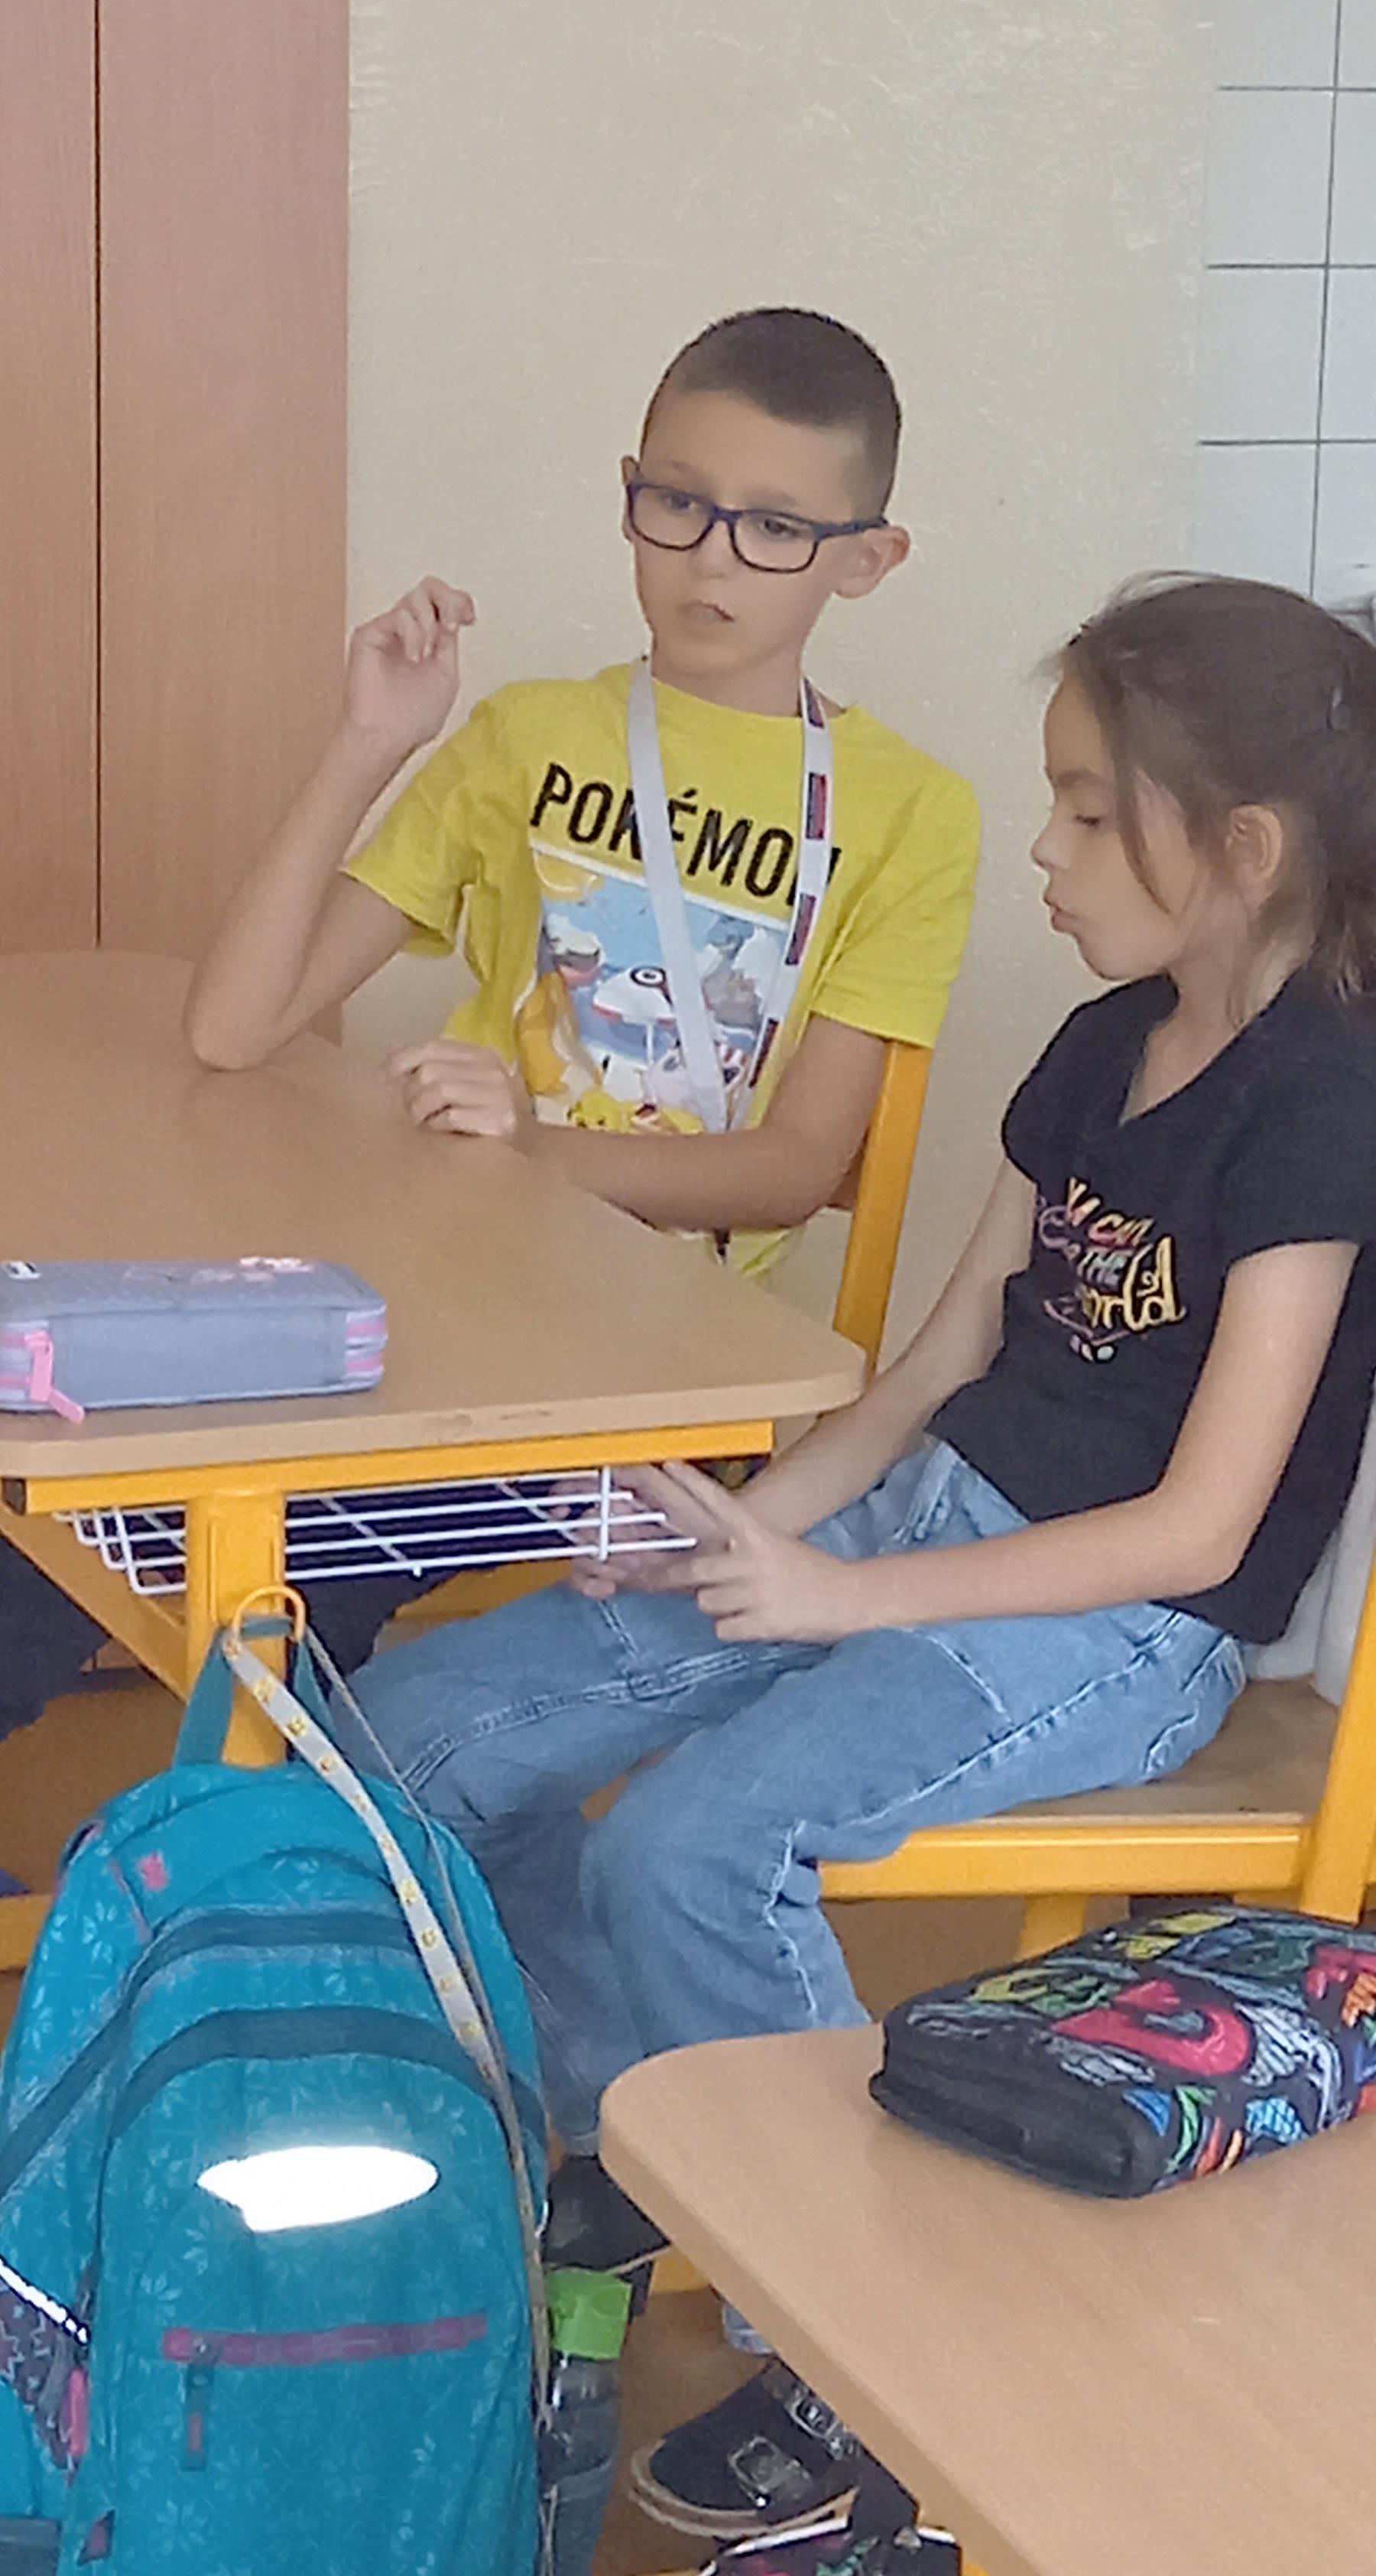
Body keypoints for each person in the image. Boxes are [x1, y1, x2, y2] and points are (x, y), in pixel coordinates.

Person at [347, 574, 1376, 2549]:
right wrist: (759, 1528)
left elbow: (1203, 1525)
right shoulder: (1101, 1044)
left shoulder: (1326, 1105)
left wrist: (837, 1600)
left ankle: (853, 2343)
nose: (1049, 850)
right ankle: (631, 2134)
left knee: (693, 1843)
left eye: (1091, 811)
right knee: (422, 1731)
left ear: (1243, 848)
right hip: (925, 1522)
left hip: (1125, 1617)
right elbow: (938, 1365)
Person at [0, 308, 978, 1772]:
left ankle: (276, 1849)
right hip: (431, 1293)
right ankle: (246, 1843)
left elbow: (792, 1168)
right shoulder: (528, 738)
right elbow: (233, 1024)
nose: (711, 558)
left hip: (647, 1374)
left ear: (866, 558)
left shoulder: (910, 813)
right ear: (630, 491)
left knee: (268, 1538)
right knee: (80, 1478)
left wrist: (532, 1145)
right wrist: (368, 742)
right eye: (678, 503)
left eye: (776, 528)